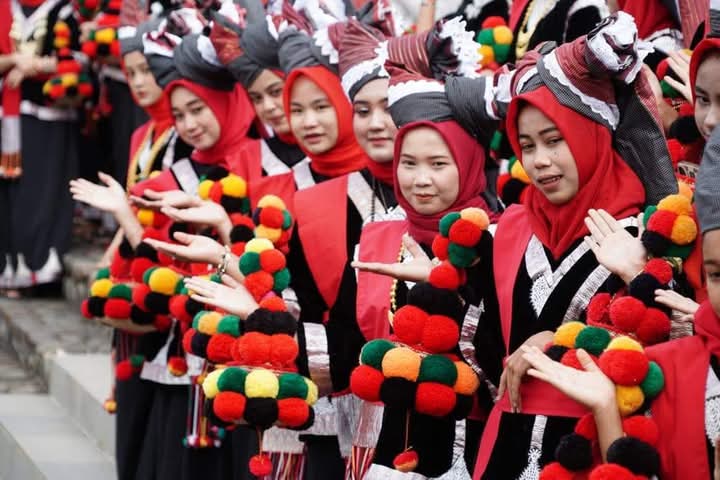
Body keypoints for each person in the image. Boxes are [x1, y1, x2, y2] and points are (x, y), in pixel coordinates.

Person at [517, 122, 720, 479]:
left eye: (555, 139)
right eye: (716, 275)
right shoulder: (674, 365)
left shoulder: (646, 238)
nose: (541, 160)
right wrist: (607, 409)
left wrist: (639, 274)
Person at [0, 0, 81, 296]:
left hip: (49, 116)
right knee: (10, 194)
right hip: (7, 117)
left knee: (42, 191)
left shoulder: (63, 11)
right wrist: (15, 60)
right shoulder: (4, 9)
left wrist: (34, 66)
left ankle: (40, 272)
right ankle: (10, 270)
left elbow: (80, 60)